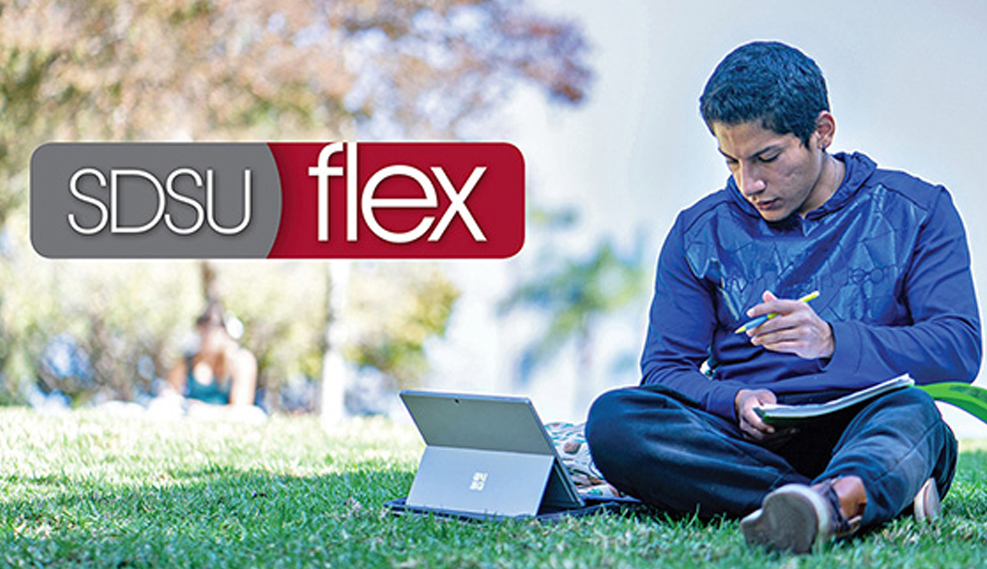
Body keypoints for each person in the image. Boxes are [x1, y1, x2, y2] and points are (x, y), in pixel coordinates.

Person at [584, 41, 981, 554]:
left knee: (915, 416)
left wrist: (831, 341)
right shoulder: (698, 231)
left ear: (822, 132)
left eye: (767, 158)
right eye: (732, 162)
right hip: (743, 440)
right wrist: (734, 400)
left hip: (869, 423)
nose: (750, 183)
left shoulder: (918, 210)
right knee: (616, 421)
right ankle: (846, 501)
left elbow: (957, 348)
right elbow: (664, 368)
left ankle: (837, 496)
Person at [165, 302, 260, 416]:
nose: (206, 333)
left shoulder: (241, 361)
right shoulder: (185, 362)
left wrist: (207, 411)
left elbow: (242, 406)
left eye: (213, 327)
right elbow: (171, 396)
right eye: (202, 326)